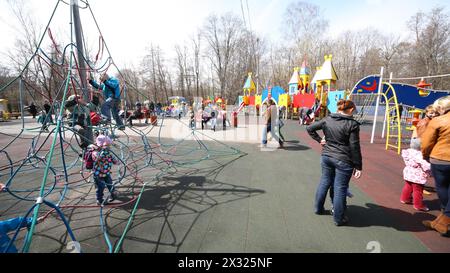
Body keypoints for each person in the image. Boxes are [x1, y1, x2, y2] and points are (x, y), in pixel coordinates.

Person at [307, 99, 362, 226]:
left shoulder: (328, 119)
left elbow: (310, 128)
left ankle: (318, 208)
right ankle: (338, 218)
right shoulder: (352, 125)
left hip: (327, 156)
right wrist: (358, 166)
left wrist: (320, 140)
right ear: (352, 110)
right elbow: (354, 147)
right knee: (340, 188)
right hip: (343, 159)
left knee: (324, 181)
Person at [422, 96, 450, 236]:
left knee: (442, 187)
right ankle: (443, 219)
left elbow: (427, 142)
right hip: (441, 158)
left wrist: (425, 155)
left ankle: (444, 220)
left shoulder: (438, 121)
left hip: (440, 159)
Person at [400, 140, 432, 211]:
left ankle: (405, 199)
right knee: (418, 190)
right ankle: (418, 205)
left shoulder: (408, 151)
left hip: (408, 172)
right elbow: (425, 164)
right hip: (417, 175)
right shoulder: (419, 154)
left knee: (408, 186)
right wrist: (431, 169)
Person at [92, 135, 118, 205]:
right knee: (101, 187)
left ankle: (113, 194)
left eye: (109, 145)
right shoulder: (95, 152)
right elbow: (97, 158)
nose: (109, 147)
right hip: (98, 174)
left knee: (110, 184)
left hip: (106, 173)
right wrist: (104, 152)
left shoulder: (109, 153)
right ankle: (99, 200)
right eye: (107, 145)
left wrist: (113, 159)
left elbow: (115, 161)